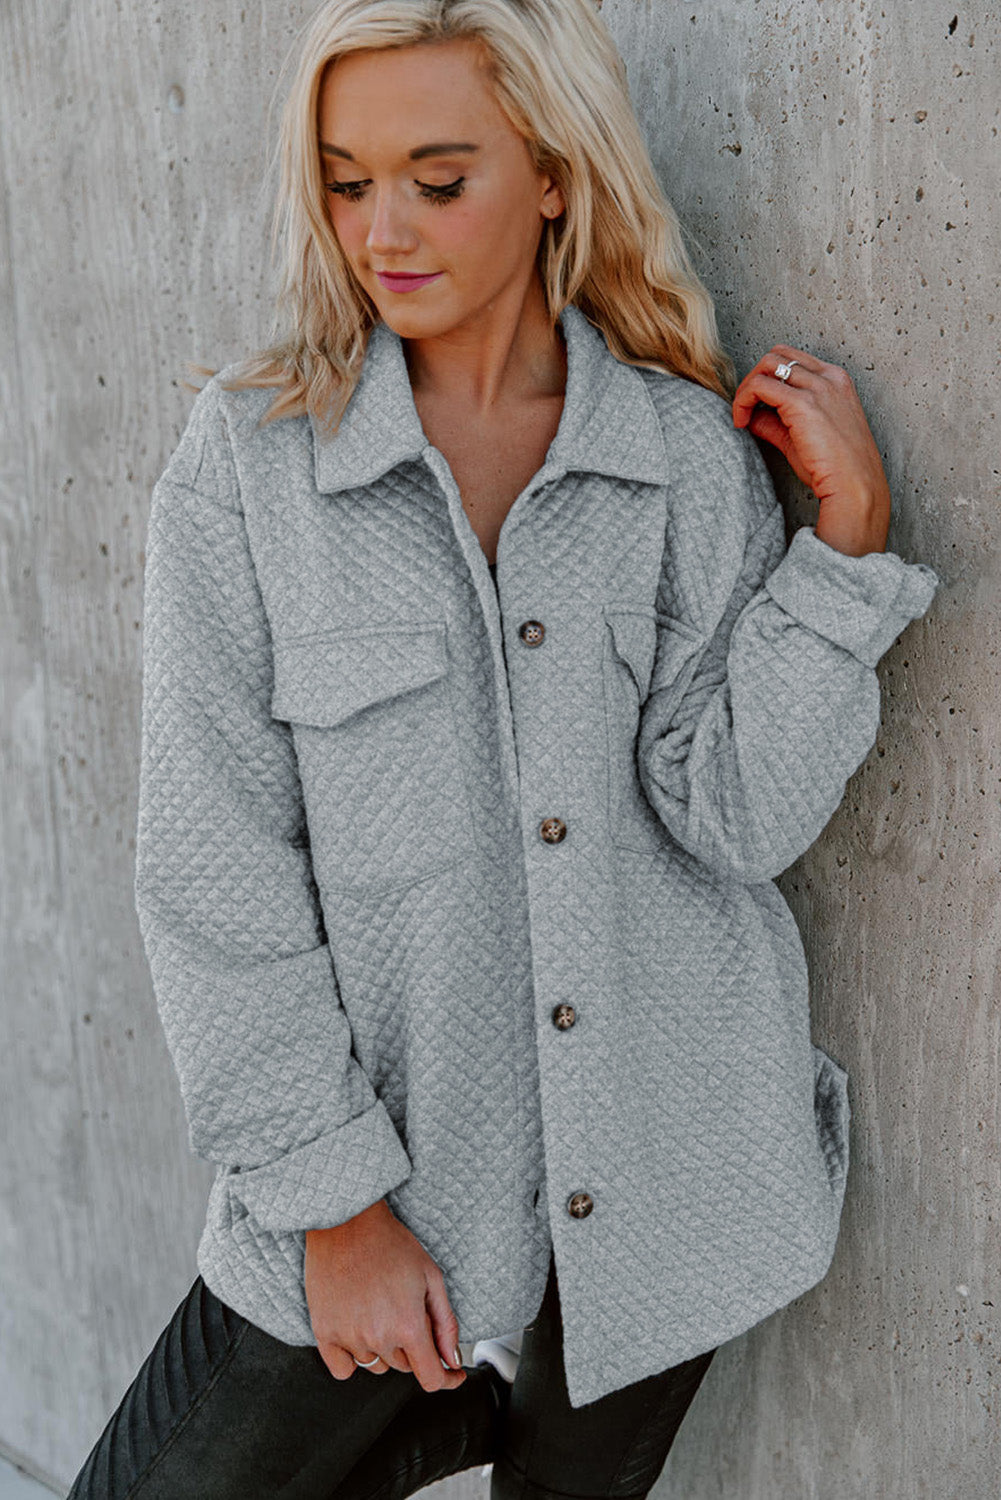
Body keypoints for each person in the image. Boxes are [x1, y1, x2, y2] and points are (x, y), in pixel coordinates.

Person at [66, 0, 939, 1495]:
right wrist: (334, 1206)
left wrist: (844, 554)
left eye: (437, 179)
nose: (381, 230)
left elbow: (735, 814)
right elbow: (214, 869)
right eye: (347, 181)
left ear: (551, 175)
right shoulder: (254, 466)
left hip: (664, 1181)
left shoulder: (677, 456)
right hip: (386, 1200)